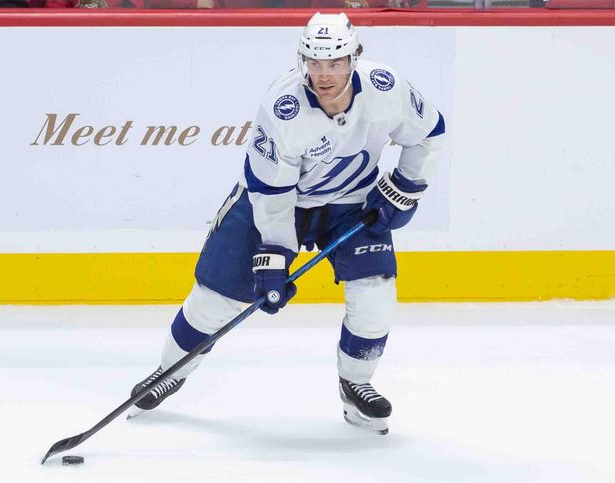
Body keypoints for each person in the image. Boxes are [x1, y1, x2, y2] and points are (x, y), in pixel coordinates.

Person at [130, 12, 447, 435]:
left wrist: (406, 185)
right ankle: (170, 370)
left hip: (351, 203)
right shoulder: (283, 107)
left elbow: (430, 132)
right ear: (302, 61)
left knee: (375, 295)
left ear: (354, 59)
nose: (324, 74)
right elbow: (271, 191)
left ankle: (356, 386)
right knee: (217, 297)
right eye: (315, 63)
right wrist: (276, 252)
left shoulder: (386, 88)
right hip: (277, 204)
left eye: (334, 63)